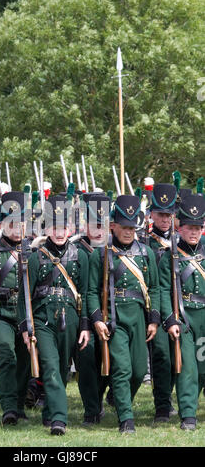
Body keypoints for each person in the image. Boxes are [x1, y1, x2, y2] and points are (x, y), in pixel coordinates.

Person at [87, 194, 160, 433]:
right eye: (124, 227)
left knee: (139, 371)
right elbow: (91, 291)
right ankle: (126, 418)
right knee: (122, 368)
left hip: (138, 315)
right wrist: (98, 319)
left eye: (132, 227)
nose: (129, 232)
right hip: (114, 317)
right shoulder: (101, 253)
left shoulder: (146, 253)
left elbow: (155, 288)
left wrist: (154, 320)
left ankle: (119, 400)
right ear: (113, 226)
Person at [18, 195, 90, 435]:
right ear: (47, 229)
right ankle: (59, 418)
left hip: (70, 317)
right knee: (49, 365)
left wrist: (84, 326)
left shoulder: (81, 256)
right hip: (43, 319)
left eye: (64, 227)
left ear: (71, 229)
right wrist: (26, 328)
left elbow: (85, 293)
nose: (60, 232)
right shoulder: (36, 257)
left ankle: (49, 412)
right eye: (54, 227)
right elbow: (25, 296)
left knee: (61, 369)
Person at [159, 193, 205, 430]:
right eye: (189, 227)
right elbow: (164, 290)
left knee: (202, 366)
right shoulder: (171, 255)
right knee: (187, 366)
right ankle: (188, 413)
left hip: (204, 315)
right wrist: (171, 320)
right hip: (184, 317)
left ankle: (192, 403)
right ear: (180, 227)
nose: (194, 232)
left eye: (198, 227)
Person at [0, 191, 32, 426]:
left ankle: (18, 403)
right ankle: (8, 406)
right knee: (6, 355)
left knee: (25, 359)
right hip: (1, 313)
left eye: (20, 223)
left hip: (25, 314)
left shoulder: (32, 251)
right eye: (11, 223)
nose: (16, 228)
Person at [72, 192, 112, 425]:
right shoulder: (76, 248)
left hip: (109, 314)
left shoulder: (115, 248)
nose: (99, 230)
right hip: (80, 316)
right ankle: (91, 407)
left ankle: (99, 398)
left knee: (108, 360)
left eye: (103, 225)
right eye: (95, 224)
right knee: (86, 360)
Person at [142, 183, 178, 422]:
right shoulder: (143, 242)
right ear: (151, 214)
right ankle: (162, 405)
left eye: (168, 214)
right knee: (162, 356)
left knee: (178, 357)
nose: (165, 219)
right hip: (153, 305)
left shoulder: (181, 240)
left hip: (181, 304)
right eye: (160, 214)